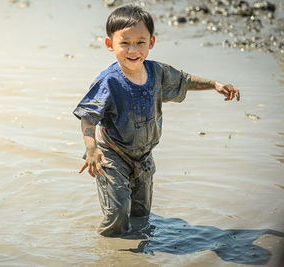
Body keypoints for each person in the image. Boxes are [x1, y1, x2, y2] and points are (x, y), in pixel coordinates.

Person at [73, 5, 240, 237]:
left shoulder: (157, 73)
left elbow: (184, 80)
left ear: (151, 42)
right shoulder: (108, 82)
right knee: (118, 215)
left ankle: (137, 247)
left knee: (141, 216)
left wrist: (214, 84)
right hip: (111, 154)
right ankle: (111, 254)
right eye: (125, 43)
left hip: (143, 157)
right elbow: (87, 118)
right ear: (110, 45)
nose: (133, 50)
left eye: (140, 42)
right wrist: (91, 149)